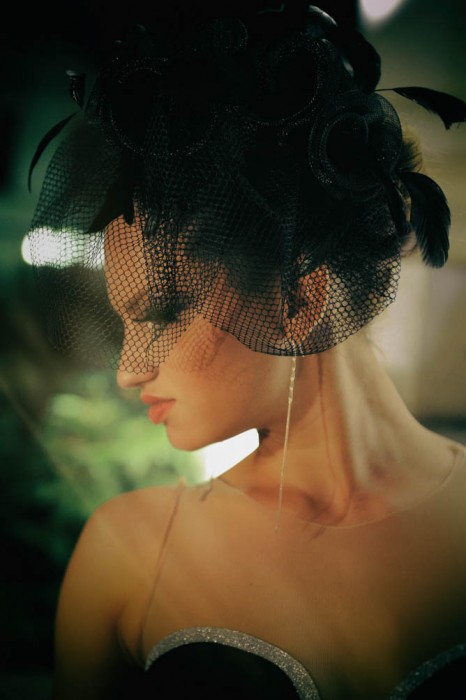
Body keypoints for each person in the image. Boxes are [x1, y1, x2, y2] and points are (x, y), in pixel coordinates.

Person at [26, 3, 466, 699]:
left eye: (163, 314)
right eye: (125, 324)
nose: (128, 370)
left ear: (298, 300)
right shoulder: (129, 552)